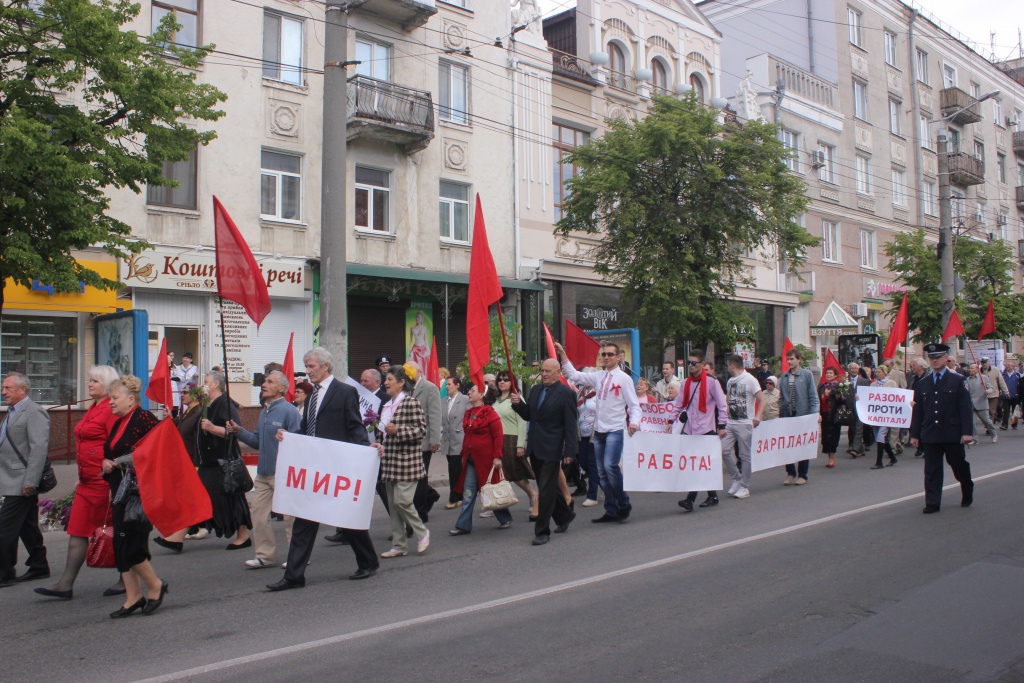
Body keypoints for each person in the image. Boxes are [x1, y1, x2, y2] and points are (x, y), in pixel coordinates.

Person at [269, 348, 379, 590]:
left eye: (311, 367)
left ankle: (369, 561)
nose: (307, 372)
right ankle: (294, 577)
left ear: (326, 366)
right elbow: (308, 430)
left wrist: (366, 451)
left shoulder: (345, 392)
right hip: (314, 469)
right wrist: (289, 437)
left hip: (336, 467)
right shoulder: (310, 398)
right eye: (306, 367)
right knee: (303, 523)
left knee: (347, 520)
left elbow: (354, 425)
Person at [34, 366, 119, 599]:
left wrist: (113, 474)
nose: (89, 384)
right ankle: (65, 583)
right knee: (78, 530)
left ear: (108, 385)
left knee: (115, 532)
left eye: (94, 381)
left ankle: (128, 577)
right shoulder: (93, 407)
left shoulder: (111, 409)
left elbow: (119, 445)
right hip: (86, 482)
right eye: (89, 380)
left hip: (104, 482)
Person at [99, 375, 167, 618]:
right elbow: (114, 452)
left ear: (131, 399)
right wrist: (107, 462)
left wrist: (117, 461)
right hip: (120, 490)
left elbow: (156, 451)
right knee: (121, 544)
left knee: (131, 545)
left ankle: (156, 585)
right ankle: (133, 596)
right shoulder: (120, 422)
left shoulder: (144, 418)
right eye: (109, 399)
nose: (110, 403)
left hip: (138, 493)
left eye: (114, 398)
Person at [556, 341, 640, 523]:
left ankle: (624, 503)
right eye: (604, 354)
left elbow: (634, 405)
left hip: (616, 429)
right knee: (601, 472)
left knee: (610, 467)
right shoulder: (598, 376)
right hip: (599, 430)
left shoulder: (624, 379)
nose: (606, 357)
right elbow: (574, 375)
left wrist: (634, 423)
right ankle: (611, 509)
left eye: (610, 354)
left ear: (618, 357)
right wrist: (562, 354)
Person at [226, 371, 301, 569]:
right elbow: (257, 441)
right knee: (258, 515)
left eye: (269, 382)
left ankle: (297, 556)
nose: (264, 384)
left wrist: (288, 439)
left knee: (290, 519)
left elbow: (299, 443)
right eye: (265, 381)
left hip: (283, 473)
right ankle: (265, 556)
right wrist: (239, 431)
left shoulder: (289, 411)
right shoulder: (264, 411)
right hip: (263, 474)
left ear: (281, 388)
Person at [511, 359, 579, 545]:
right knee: (546, 485)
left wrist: (570, 452)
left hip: (552, 447)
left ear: (558, 372)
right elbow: (529, 415)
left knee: (546, 489)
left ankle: (542, 531)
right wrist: (517, 404)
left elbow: (571, 426)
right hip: (535, 446)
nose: (545, 374)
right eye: (542, 371)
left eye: (548, 371)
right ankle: (565, 515)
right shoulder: (536, 390)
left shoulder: (566, 394)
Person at [373, 365, 431, 559]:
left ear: (401, 382)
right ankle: (399, 545)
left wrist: (398, 431)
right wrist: (379, 444)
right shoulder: (386, 405)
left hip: (407, 462)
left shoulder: (411, 402)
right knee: (393, 505)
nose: (386, 382)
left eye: (389, 379)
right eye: (386, 379)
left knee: (402, 501)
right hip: (389, 462)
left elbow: (420, 430)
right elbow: (383, 432)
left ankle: (422, 532)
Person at [909, 343, 975, 514]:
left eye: (938, 357)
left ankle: (967, 486)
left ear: (946, 358)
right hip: (931, 433)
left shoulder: (958, 380)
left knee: (957, 464)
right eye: (932, 358)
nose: (935, 360)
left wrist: (967, 432)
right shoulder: (924, 383)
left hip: (952, 432)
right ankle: (932, 502)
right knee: (931, 469)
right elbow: (919, 411)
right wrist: (915, 434)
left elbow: (965, 408)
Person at [0, 372, 51, 589]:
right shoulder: (11, 412)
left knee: (4, 527)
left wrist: (31, 480)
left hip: (22, 481)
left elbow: (39, 448)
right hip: (11, 478)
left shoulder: (34, 412)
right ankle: (39, 565)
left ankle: (5, 571)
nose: (3, 392)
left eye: (8, 388)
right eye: (3, 388)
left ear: (23, 389)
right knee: (27, 525)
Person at [195, 371, 252, 549]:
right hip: (208, 460)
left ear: (215, 384)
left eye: (206, 382)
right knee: (199, 495)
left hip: (223, 461)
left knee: (230, 497)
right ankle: (178, 535)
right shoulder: (206, 404)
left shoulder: (225, 404)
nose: (203, 385)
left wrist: (213, 428)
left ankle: (243, 535)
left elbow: (235, 431)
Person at [449, 383, 513, 535]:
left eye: (473, 390)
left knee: (490, 490)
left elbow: (498, 436)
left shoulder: (490, 413)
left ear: (481, 395)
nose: (469, 392)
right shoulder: (470, 412)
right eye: (470, 390)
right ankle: (463, 525)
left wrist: (497, 457)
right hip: (471, 459)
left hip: (487, 461)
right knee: (468, 492)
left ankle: (504, 517)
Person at [671, 349, 727, 512]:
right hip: (690, 429)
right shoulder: (686, 383)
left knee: (698, 465)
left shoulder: (712, 382)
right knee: (696, 465)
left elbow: (722, 405)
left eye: (694, 363)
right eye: (689, 363)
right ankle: (713, 496)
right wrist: (670, 419)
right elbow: (679, 404)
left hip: (706, 430)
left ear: (702, 364)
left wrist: (722, 425)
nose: (691, 366)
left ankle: (690, 499)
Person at [493, 370, 538, 518]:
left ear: (512, 382)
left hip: (511, 440)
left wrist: (520, 444)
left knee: (516, 474)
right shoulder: (494, 400)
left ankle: (532, 495)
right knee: (499, 474)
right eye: (500, 379)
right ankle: (499, 505)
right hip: (497, 440)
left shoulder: (517, 399)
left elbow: (522, 422)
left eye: (506, 379)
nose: (502, 382)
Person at [721, 353, 765, 498]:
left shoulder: (750, 380)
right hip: (730, 422)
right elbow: (727, 399)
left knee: (744, 455)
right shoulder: (731, 381)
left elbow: (762, 400)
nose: (727, 367)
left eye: (728, 365)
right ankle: (737, 478)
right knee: (724, 450)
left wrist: (757, 416)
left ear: (732, 365)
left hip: (745, 423)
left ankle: (745, 486)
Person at [777, 347, 819, 485]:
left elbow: (813, 396)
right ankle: (790, 472)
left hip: (803, 415)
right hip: (788, 416)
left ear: (799, 359)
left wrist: (814, 415)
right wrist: (781, 412)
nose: (789, 361)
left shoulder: (806, 375)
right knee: (787, 445)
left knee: (802, 444)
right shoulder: (784, 376)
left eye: (792, 359)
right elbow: (781, 397)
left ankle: (803, 474)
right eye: (787, 359)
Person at [409, 361, 442, 523]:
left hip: (424, 440)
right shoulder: (406, 388)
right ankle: (430, 495)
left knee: (421, 477)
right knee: (412, 477)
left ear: (419, 371)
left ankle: (421, 511)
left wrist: (435, 440)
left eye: (410, 370)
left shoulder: (429, 388)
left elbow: (435, 415)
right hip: (409, 440)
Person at [440, 375, 469, 509]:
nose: (447, 387)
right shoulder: (444, 401)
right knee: (452, 468)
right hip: (447, 439)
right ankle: (459, 495)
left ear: (457, 386)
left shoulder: (464, 399)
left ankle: (455, 497)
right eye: (446, 384)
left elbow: (469, 416)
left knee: (455, 468)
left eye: (450, 384)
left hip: (459, 439)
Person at [866, 366, 898, 469]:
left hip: (887, 415)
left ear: (884, 373)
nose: (877, 373)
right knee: (881, 438)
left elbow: (897, 396)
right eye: (876, 372)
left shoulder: (891, 383)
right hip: (876, 416)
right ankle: (893, 458)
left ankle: (879, 462)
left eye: (879, 372)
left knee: (880, 436)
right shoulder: (873, 384)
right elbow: (868, 397)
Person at [576, 387, 599, 506]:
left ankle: (592, 496)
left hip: (594, 435)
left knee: (592, 464)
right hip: (582, 434)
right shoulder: (580, 393)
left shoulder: (599, 393)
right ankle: (607, 485)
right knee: (583, 463)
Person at [817, 367, 844, 469]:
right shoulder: (821, 386)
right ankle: (829, 456)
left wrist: (837, 395)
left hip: (834, 414)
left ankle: (832, 457)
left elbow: (843, 400)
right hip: (824, 414)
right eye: (827, 373)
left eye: (830, 373)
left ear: (835, 375)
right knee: (826, 436)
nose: (828, 374)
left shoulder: (838, 386)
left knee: (833, 436)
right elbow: (817, 399)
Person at [966, 363, 998, 443]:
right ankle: (975, 439)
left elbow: (991, 388)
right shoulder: (966, 379)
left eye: (972, 368)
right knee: (972, 423)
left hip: (981, 403)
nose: (970, 370)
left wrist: (988, 391)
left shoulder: (983, 378)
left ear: (977, 370)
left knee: (987, 421)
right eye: (969, 368)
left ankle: (994, 434)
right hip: (971, 404)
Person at [846, 362, 871, 457]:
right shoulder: (844, 381)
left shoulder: (865, 381)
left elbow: (869, 394)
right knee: (852, 427)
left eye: (855, 368)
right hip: (850, 408)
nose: (853, 370)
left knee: (859, 428)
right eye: (851, 368)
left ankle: (855, 449)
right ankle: (860, 450)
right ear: (849, 370)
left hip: (861, 408)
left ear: (858, 370)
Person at [979, 357, 1007, 427]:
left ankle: (989, 426)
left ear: (989, 362)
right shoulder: (979, 371)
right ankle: (988, 423)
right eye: (982, 363)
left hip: (993, 394)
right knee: (984, 412)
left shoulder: (995, 370)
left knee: (992, 411)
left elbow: (1001, 381)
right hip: (983, 395)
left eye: (985, 362)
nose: (984, 364)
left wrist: (1006, 391)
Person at [1000, 359, 1020, 430]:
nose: (1007, 366)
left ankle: (1014, 424)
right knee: (1006, 411)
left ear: (1013, 367)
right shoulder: (1003, 375)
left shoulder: (1017, 375)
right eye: (1007, 365)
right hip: (1005, 396)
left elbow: (1020, 385)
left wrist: (1019, 394)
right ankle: (1004, 425)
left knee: (1015, 412)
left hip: (1015, 396)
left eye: (1009, 365)